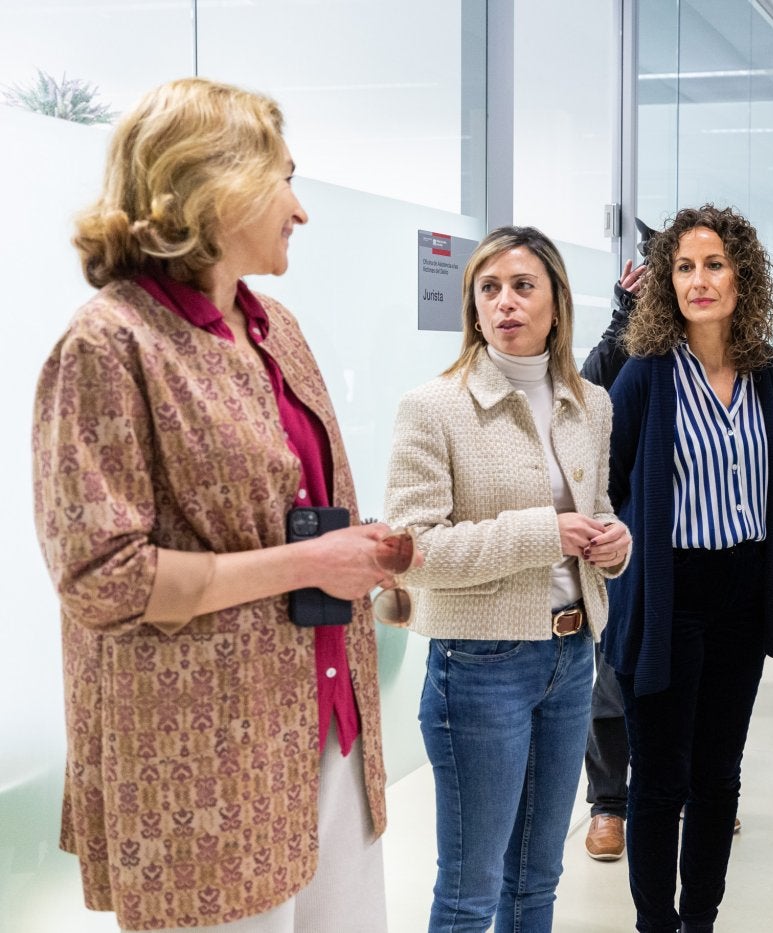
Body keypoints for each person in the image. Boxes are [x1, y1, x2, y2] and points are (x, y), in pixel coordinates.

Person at [31, 77, 409, 932]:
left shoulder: (276, 325)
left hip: (324, 725)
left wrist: (360, 550)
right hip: (202, 764)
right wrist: (312, 562)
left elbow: (293, 504)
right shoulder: (107, 343)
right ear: (216, 183)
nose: (300, 209)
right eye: (285, 176)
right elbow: (102, 579)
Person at [382, 226, 631, 931]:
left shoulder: (591, 403)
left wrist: (613, 546)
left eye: (524, 286)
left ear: (556, 302)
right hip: (479, 663)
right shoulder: (433, 407)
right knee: (471, 888)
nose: (505, 303)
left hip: (570, 653)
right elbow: (414, 549)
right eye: (489, 289)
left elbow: (599, 513)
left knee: (538, 878)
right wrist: (543, 533)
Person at [604, 204, 773, 933]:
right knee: (660, 780)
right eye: (684, 266)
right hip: (669, 596)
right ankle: (655, 926)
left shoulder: (764, 370)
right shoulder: (645, 375)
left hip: (742, 595)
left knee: (719, 778)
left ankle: (700, 921)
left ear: (741, 275)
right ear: (666, 282)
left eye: (713, 264)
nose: (699, 279)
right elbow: (611, 480)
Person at [580, 257, 646, 861]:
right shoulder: (623, 339)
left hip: (688, 532)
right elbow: (584, 391)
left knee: (688, 671)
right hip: (618, 526)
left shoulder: (719, 348)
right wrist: (625, 315)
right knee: (609, 674)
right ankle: (608, 804)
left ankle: (691, 791)